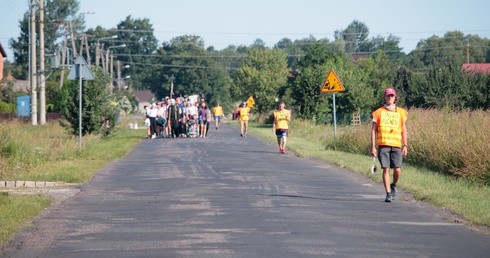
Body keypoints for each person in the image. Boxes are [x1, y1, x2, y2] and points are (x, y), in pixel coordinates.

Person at [371, 87, 408, 203]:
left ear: (395, 97)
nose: (390, 98)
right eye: (388, 96)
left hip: (397, 145)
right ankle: (388, 194)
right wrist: (373, 146)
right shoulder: (378, 112)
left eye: (392, 96)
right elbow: (373, 130)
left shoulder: (401, 112)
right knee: (385, 169)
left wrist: (405, 145)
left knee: (397, 169)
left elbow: (403, 129)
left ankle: (393, 185)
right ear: (385, 97)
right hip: (383, 145)